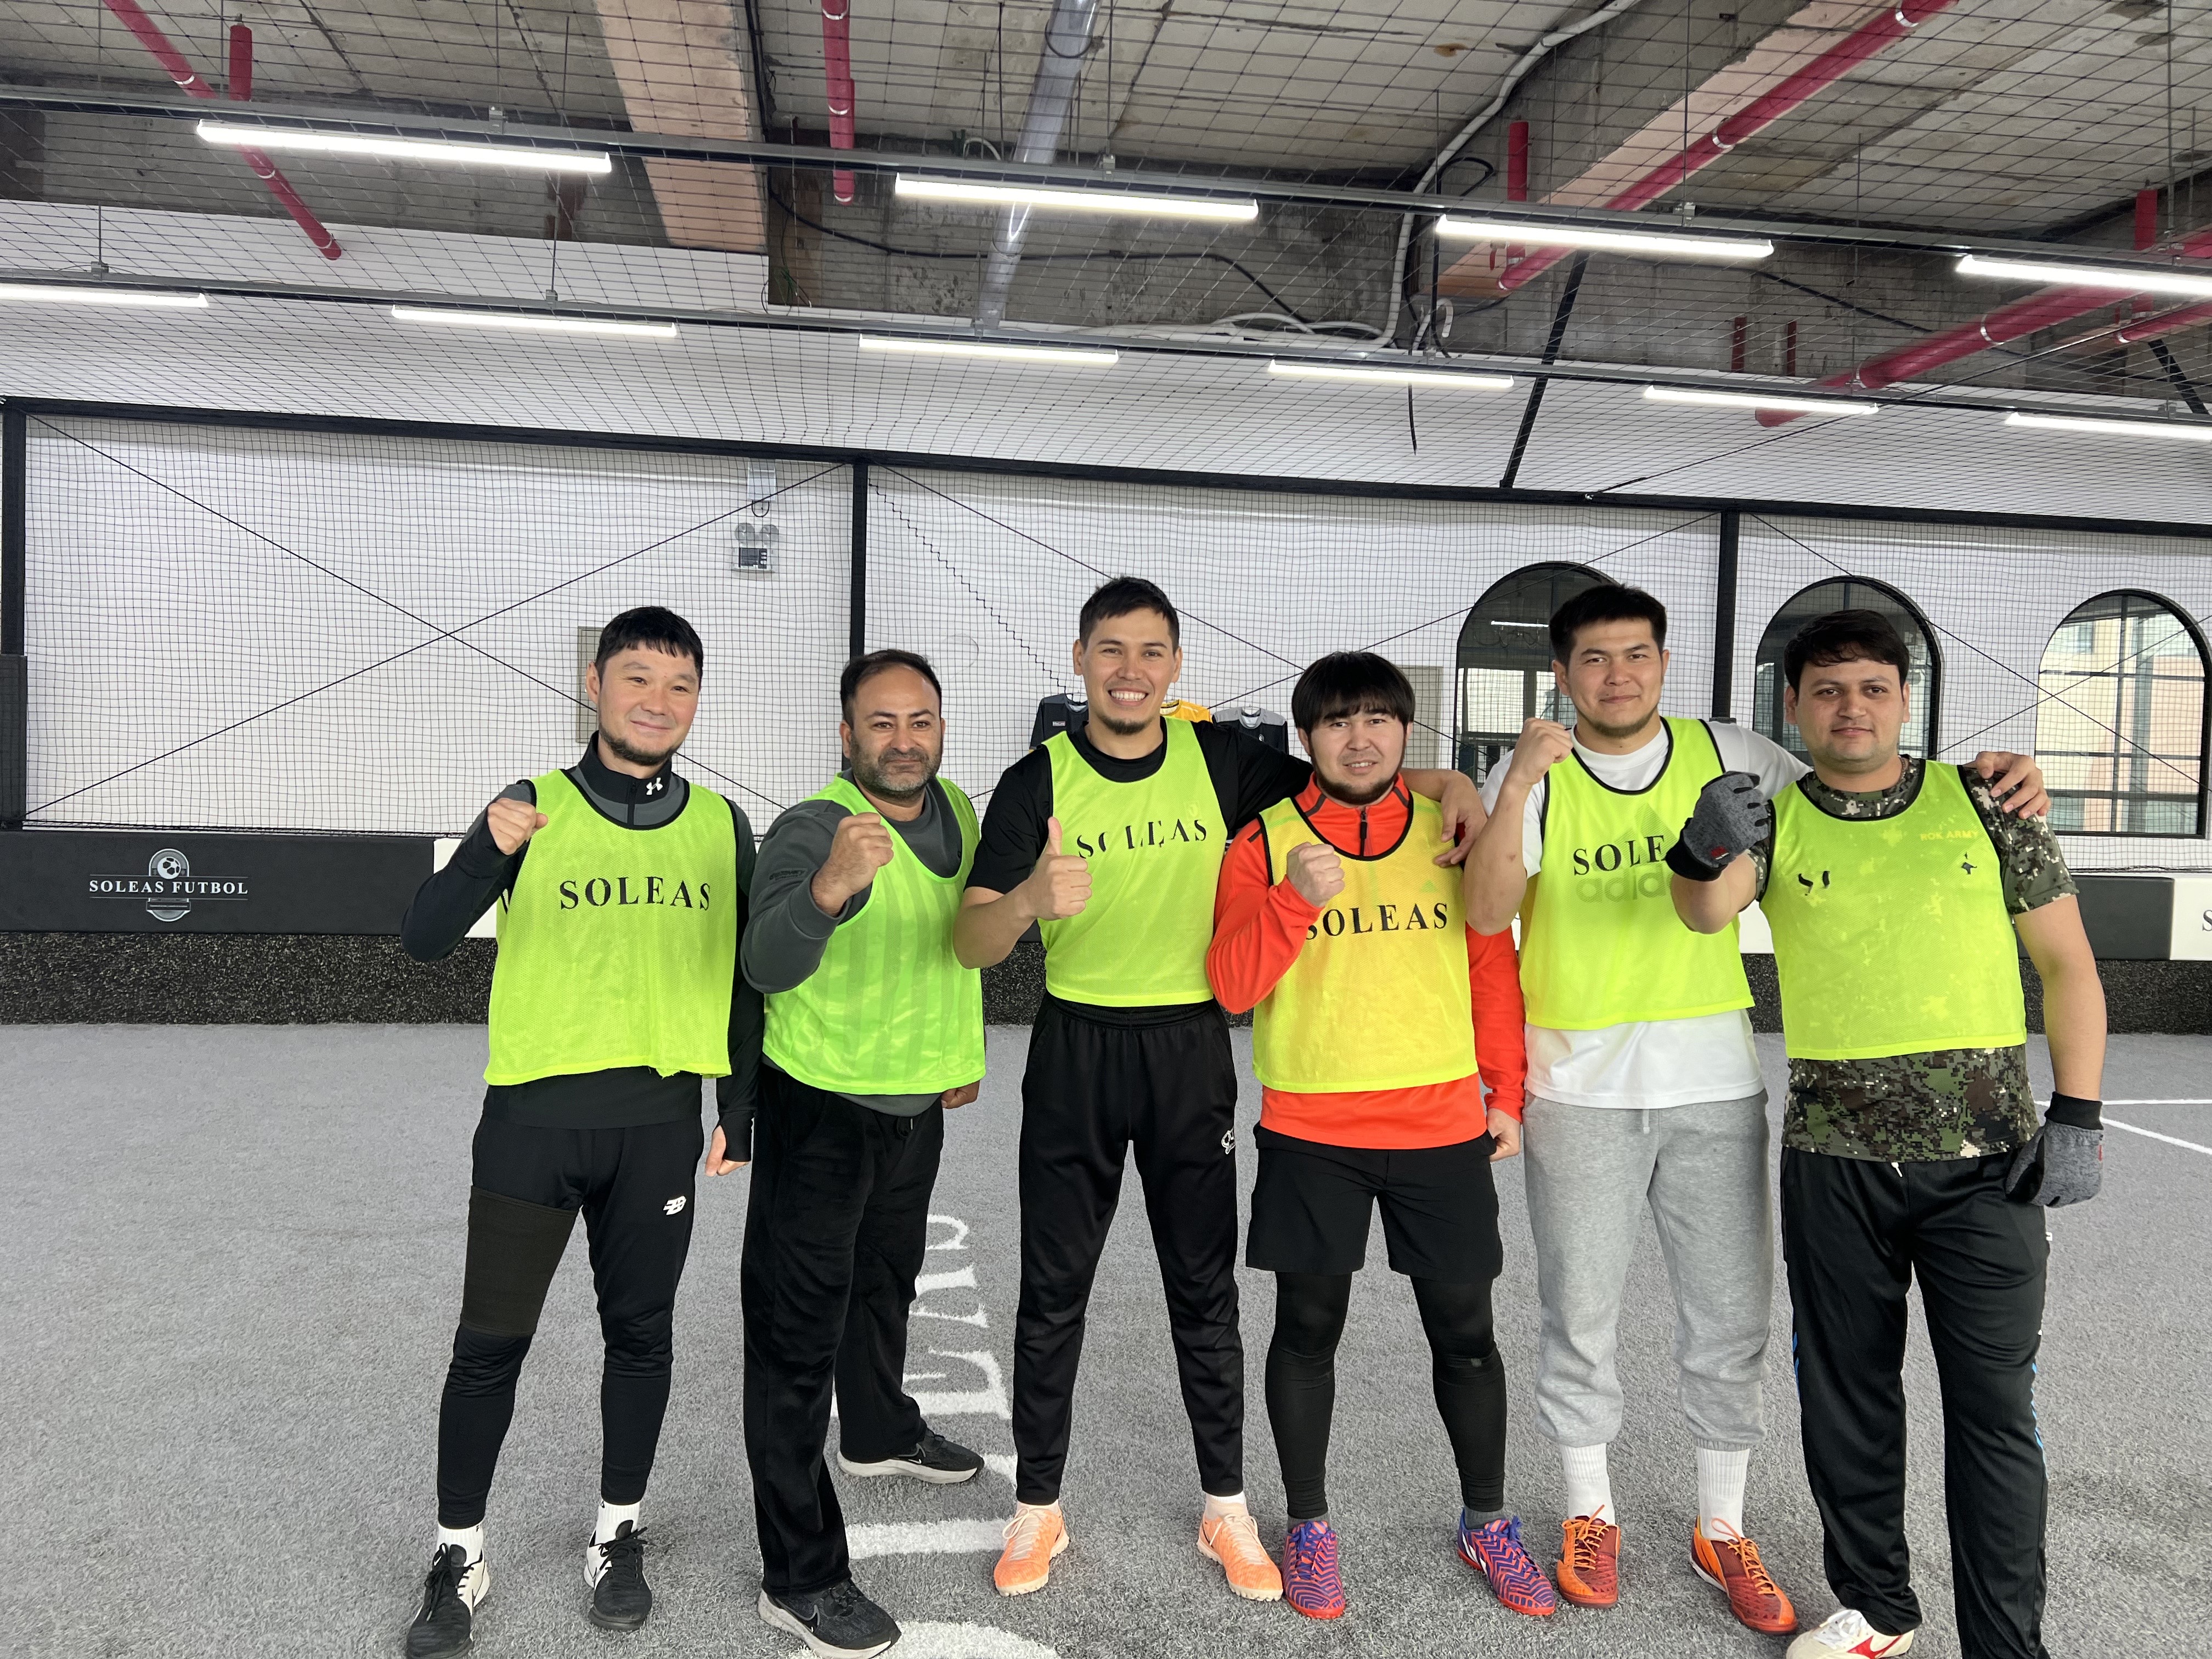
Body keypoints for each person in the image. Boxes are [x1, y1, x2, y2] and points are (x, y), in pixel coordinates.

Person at [1463, 584, 2047, 1634]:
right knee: (1578, 1316)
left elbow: (1857, 772)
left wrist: (1995, 776)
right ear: (1562, 673)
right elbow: (1487, 907)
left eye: (1636, 655)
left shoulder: (1731, 751)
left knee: (1729, 1321)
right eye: (1594, 659)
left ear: (1664, 661)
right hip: (1578, 1086)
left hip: (1714, 1084)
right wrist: (1511, 787)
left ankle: (1722, 1526)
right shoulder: (1535, 771)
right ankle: (1590, 1512)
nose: (1617, 676)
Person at [953, 577, 1486, 1601]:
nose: (1131, 671)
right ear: (1080, 660)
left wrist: (1452, 783)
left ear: (1176, 667)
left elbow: (1349, 771)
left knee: (1202, 1289)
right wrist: (1025, 900)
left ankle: (1227, 1510)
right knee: (1053, 1291)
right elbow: (973, 943)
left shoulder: (1221, 759)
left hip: (1189, 1049)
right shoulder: (1034, 781)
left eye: (1151, 652)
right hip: (1075, 1050)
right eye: (1112, 651)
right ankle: (1038, 1510)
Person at [1670, 610, 2103, 1659]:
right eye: (1826, 690)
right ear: (1794, 706)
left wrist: (2079, 1114)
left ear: (1906, 700)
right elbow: (1702, 911)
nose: (1850, 708)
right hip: (1834, 1166)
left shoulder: (1989, 802)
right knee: (1847, 1398)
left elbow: (2069, 967)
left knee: (1993, 1412)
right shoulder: (1773, 819)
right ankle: (1877, 1609)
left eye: (1872, 687)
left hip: (1989, 1167)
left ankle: (2007, 1645)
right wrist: (1701, 839)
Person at [395, 607, 759, 1658]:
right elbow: (422, 938)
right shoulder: (533, 806)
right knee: (488, 1348)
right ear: (595, 684)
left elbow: (743, 977)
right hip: (532, 1126)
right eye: (637, 678)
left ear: (697, 701)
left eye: (680, 685)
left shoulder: (722, 824)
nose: (658, 701)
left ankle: (616, 1533)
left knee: (641, 1338)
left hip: (656, 1129)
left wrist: (737, 1108)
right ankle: (459, 1555)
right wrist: (483, 854)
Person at [1207, 652, 1553, 1622]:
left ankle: (1488, 1522)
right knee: (1307, 1332)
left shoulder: (1452, 830)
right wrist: (1293, 900)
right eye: (1337, 722)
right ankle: (1310, 1528)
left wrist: (1507, 1092)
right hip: (1311, 1130)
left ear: (1406, 731)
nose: (1359, 739)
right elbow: (1231, 985)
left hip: (1441, 1127)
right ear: (1306, 738)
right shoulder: (1263, 842)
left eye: (1378, 719)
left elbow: (1490, 965)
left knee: (1468, 1337)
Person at [734, 649, 988, 1659]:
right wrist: (831, 887)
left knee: (885, 1286)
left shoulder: (958, 812)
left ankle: (879, 1431)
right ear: (847, 736)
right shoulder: (812, 829)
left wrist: (958, 1057)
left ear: (941, 730)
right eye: (881, 723)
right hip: (821, 1113)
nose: (903, 740)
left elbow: (953, 942)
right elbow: (765, 963)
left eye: (920, 721)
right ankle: (799, 1575)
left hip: (913, 1108)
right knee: (794, 1342)